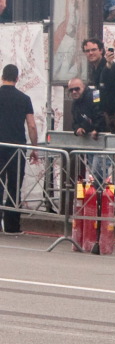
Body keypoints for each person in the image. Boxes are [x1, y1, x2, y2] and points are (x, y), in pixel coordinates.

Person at [0, 65, 38, 235]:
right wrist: (34, 147)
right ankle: (12, 226)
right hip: (16, 148)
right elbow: (31, 125)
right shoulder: (24, 99)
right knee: (14, 187)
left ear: (2, 76)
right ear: (17, 78)